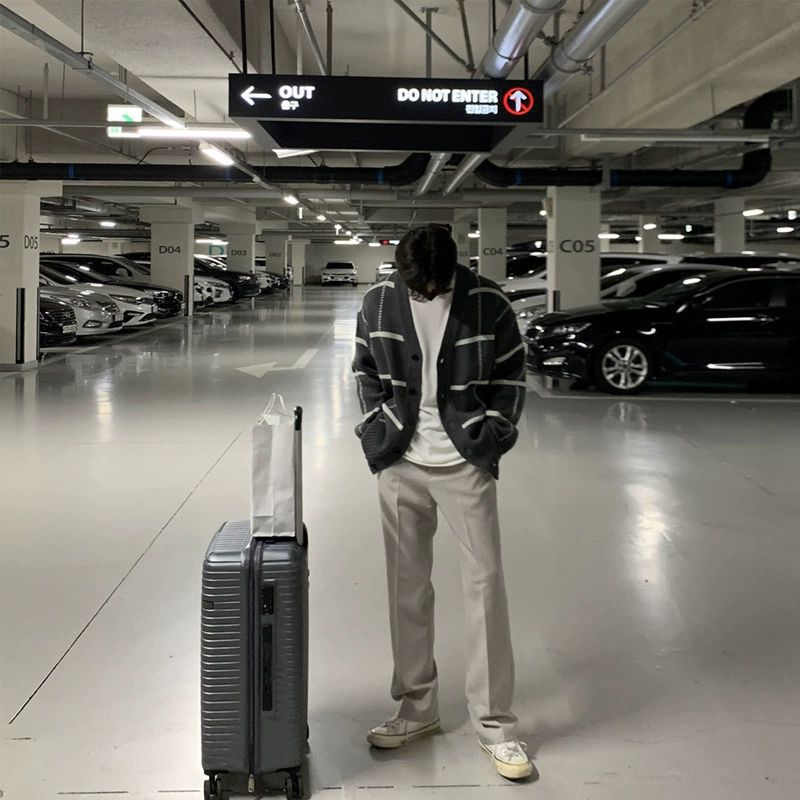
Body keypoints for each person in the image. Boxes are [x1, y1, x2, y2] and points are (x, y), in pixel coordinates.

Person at [351, 224, 531, 780]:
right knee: (406, 588)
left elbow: (511, 373)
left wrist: (491, 436)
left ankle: (495, 724)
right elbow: (364, 370)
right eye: (417, 286)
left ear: (454, 269)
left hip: (465, 462)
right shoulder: (379, 302)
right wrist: (377, 432)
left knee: (485, 587)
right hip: (400, 462)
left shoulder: (488, 302)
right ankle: (416, 709)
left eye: (437, 285)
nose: (427, 293)